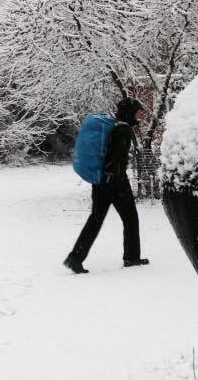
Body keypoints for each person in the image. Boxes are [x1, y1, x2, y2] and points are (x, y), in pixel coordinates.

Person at [64, 97, 150, 274]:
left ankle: (75, 258)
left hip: (101, 181)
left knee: (95, 219)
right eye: (137, 113)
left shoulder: (115, 127)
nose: (139, 117)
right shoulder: (123, 130)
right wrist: (115, 180)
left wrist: (105, 179)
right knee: (130, 219)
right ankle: (132, 258)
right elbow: (116, 159)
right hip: (116, 183)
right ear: (129, 113)